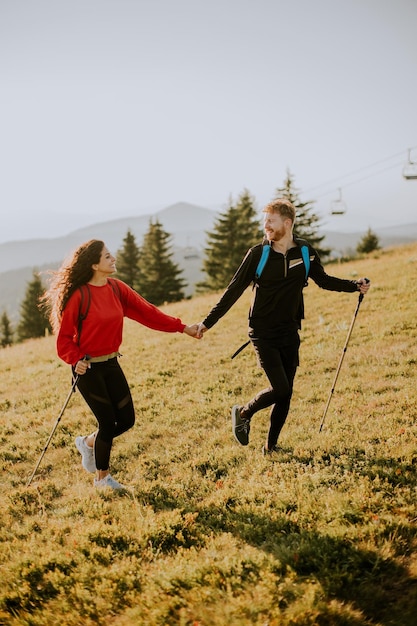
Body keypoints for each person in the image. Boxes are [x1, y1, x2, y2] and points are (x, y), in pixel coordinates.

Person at [196, 198, 370, 455]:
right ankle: (244, 412)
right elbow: (233, 290)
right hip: (262, 332)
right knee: (281, 388)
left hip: (290, 330)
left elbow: (322, 280)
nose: (265, 225)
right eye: (264, 221)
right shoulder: (258, 254)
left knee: (286, 394)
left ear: (287, 223)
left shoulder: (304, 252)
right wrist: (206, 323)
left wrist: (353, 284)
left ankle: (271, 446)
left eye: (271, 221)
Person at [41, 239, 200, 490]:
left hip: (111, 362)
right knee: (107, 422)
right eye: (107, 257)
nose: (113, 259)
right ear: (94, 264)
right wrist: (76, 359)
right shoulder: (79, 297)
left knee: (125, 420)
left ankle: (88, 443)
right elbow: (63, 340)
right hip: (88, 368)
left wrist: (182, 328)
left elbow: (148, 312)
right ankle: (102, 479)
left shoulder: (116, 289)